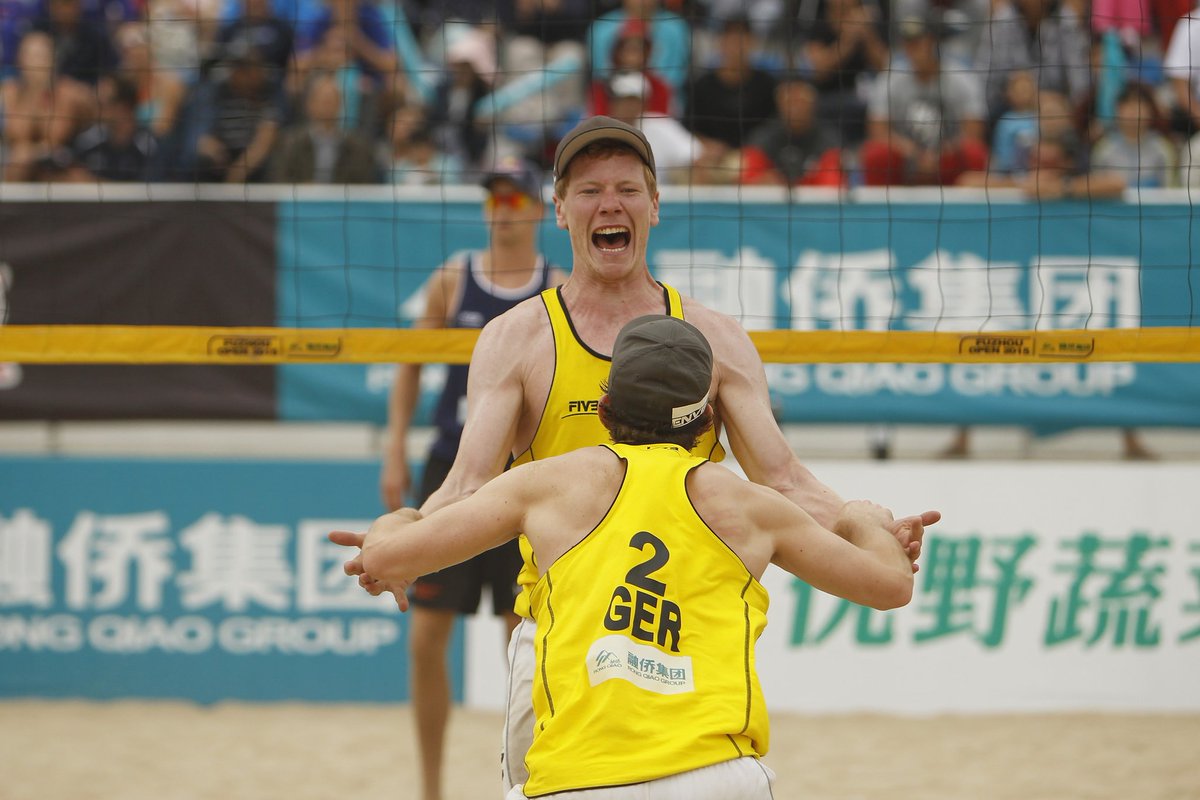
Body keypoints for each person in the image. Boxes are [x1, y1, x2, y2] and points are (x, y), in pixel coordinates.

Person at [342, 114, 935, 795]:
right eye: (589, 190)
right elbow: (467, 483)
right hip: (563, 624)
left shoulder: (712, 334)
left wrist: (870, 529)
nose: (610, 204)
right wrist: (400, 536)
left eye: (627, 187)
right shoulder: (519, 337)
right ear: (560, 210)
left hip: (676, 620)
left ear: (655, 204)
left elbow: (783, 476)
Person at [333, 314, 934, 799]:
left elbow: (386, 555)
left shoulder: (545, 484)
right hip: (718, 780)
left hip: (579, 780)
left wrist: (396, 528)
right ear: (708, 420)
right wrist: (864, 518)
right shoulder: (752, 508)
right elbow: (889, 585)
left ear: (602, 410)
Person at [378, 156, 566, 800]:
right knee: (427, 638)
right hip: (451, 468)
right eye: (494, 199)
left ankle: (527, 780)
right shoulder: (454, 279)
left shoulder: (557, 287)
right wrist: (394, 450)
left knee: (522, 643)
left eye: (515, 200)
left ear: (540, 209)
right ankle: (431, 789)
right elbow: (409, 365)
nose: (503, 211)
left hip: (523, 480)